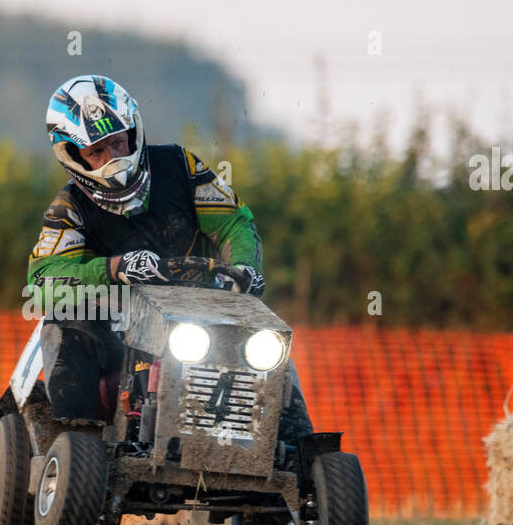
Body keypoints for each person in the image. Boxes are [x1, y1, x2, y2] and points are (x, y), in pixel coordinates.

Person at [27, 74, 309, 442]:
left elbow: (233, 224)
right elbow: (43, 280)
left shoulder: (181, 167)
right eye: (96, 151)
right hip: (116, 325)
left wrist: (243, 267)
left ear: (133, 130)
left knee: (269, 346)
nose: (112, 158)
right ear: (73, 155)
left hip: (200, 308)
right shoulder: (68, 209)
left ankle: (300, 450)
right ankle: (74, 442)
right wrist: (116, 268)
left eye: (117, 142)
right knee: (65, 320)